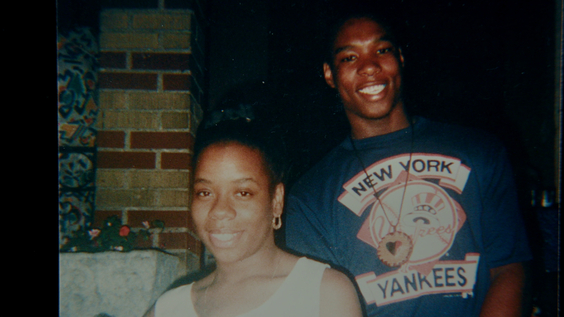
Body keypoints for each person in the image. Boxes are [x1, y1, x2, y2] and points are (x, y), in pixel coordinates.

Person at [284, 13, 532, 317]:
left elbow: (508, 270)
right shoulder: (308, 197)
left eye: (382, 50)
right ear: (329, 75)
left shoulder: (479, 151)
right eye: (349, 57)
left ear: (400, 58)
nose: (370, 66)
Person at [143, 119, 363, 317]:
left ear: (276, 200)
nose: (220, 210)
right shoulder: (168, 308)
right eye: (205, 193)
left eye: (243, 193)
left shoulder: (323, 291)